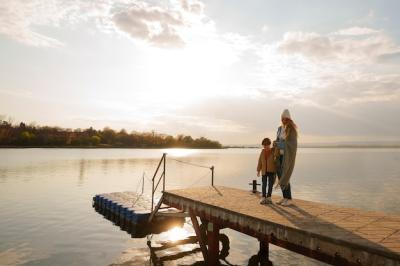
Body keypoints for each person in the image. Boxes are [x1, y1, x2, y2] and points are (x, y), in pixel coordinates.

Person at [274, 109, 298, 206]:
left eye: (286, 119)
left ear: (289, 119)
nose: (284, 120)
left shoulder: (291, 129)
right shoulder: (280, 128)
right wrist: (275, 143)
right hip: (279, 155)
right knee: (280, 176)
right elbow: (278, 140)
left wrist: (279, 144)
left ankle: (289, 198)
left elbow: (292, 144)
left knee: (285, 176)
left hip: (286, 156)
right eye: (282, 118)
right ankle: (284, 197)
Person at [257, 138, 279, 204]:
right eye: (264, 145)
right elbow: (260, 161)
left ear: (269, 144)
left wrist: (276, 144)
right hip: (264, 171)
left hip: (271, 171)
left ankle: (269, 197)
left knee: (270, 185)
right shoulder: (262, 151)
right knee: (264, 184)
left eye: (266, 145)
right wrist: (258, 170)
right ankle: (263, 197)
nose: (265, 147)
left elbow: (277, 154)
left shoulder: (273, 150)